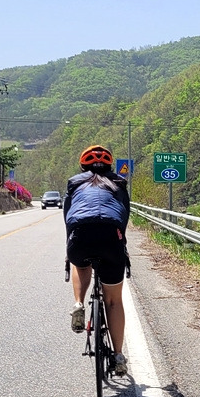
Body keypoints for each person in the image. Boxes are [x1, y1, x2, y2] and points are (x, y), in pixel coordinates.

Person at [63, 144, 131, 375]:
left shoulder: (74, 184)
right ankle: (118, 355)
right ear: (110, 166)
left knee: (79, 262)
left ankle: (79, 304)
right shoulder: (119, 184)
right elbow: (123, 219)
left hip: (80, 236)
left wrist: (69, 249)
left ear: (83, 167)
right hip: (111, 238)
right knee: (113, 301)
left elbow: (68, 219)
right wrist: (121, 247)